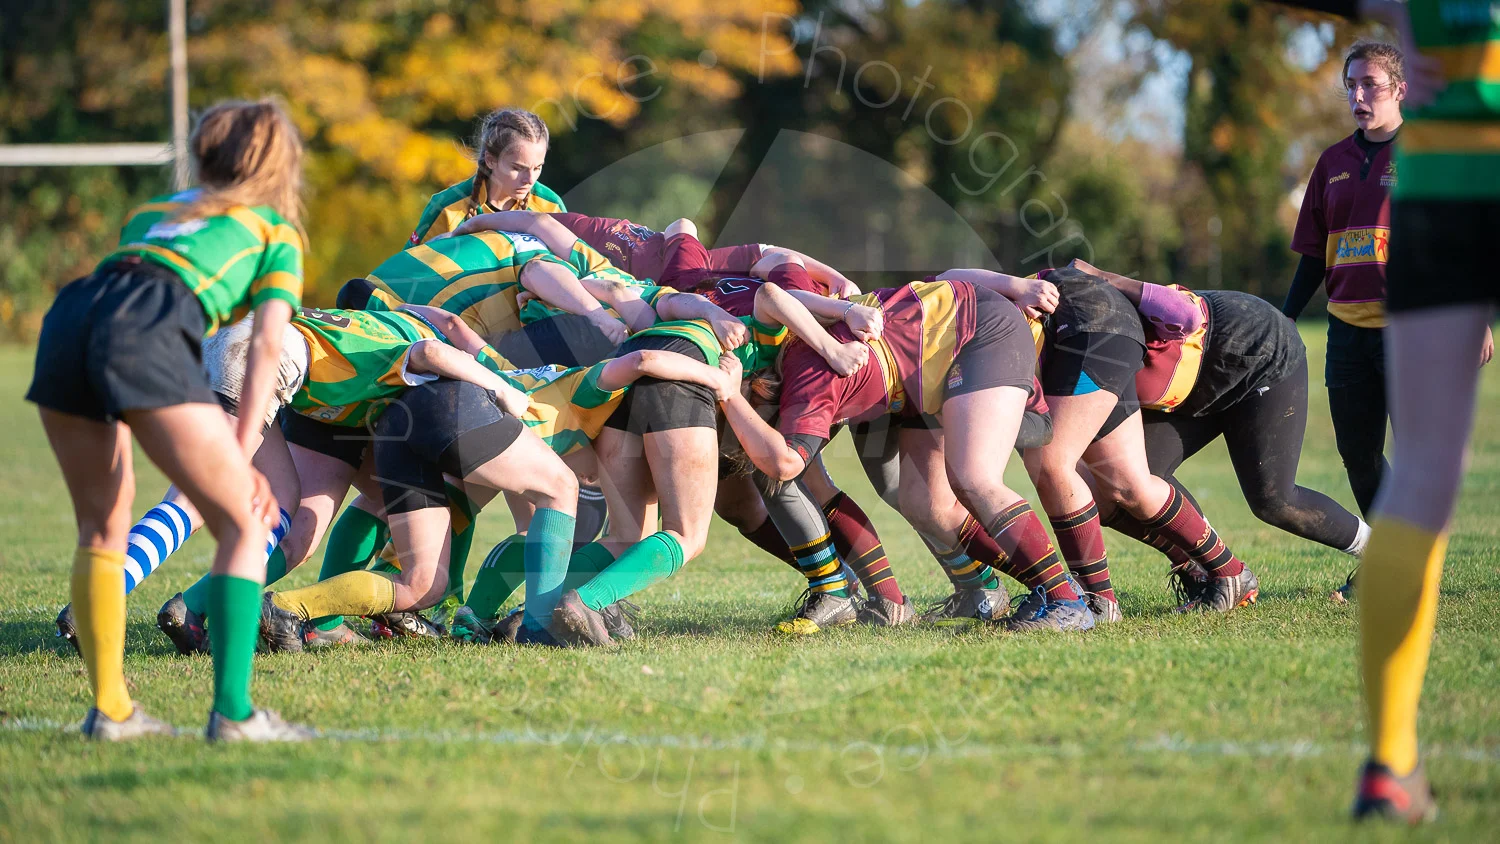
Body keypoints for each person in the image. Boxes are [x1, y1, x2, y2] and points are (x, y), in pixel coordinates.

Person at [1271, 0, 1499, 823]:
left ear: (1398, 85)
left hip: (1450, 171)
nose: (1359, 95)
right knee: (1394, 474)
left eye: (1372, 82)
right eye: (1354, 84)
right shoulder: (1336, 162)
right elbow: (1314, 254)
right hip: (1461, 173)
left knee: (1421, 483)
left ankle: (1390, 761)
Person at [26, 99, 311, 742]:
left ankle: (112, 712)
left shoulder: (156, 211)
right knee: (245, 522)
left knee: (102, 526)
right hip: (146, 328)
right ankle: (234, 715)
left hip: (70, 316)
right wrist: (240, 452)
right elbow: (268, 343)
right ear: (279, 163)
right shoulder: (275, 231)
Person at [718, 278, 1097, 634]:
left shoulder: (808, 383)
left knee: (974, 478)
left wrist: (729, 396)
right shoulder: (784, 351)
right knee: (924, 502)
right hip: (926, 365)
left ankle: (1066, 600)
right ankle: (1022, 592)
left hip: (975, 329)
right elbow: (772, 295)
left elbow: (783, 465)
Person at [1066, 261, 1371, 600]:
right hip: (1198, 381)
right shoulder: (1053, 348)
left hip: (1256, 350)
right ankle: (1218, 572)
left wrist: (1105, 278)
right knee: (1130, 477)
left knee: (1275, 500)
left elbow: (1183, 312)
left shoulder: (1077, 317)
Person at [406, 108, 567, 247]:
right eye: (517, 168)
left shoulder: (551, 207)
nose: (530, 179)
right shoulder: (447, 208)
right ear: (490, 160)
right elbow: (408, 267)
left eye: (537, 168)